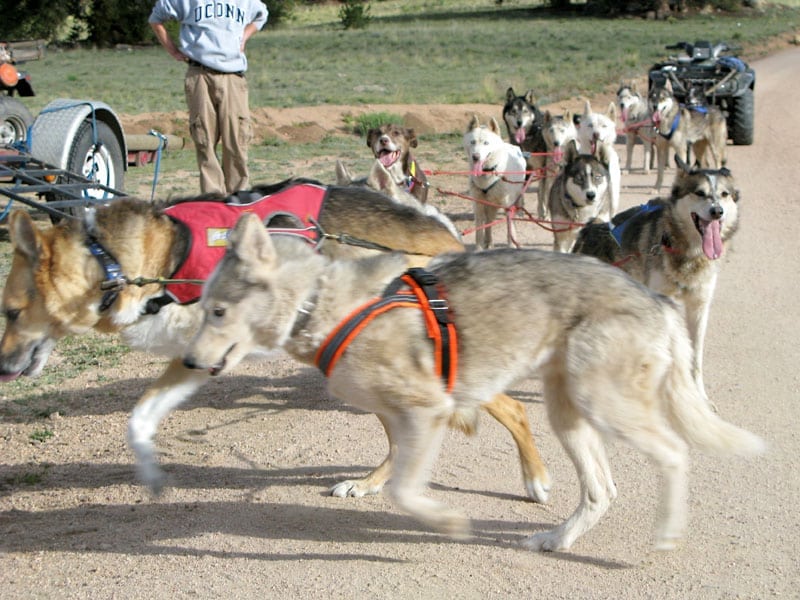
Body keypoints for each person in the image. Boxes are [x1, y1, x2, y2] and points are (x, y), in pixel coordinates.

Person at [149, 0, 269, 195]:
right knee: (204, 139)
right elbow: (156, 18)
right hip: (200, 73)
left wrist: (244, 37)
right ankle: (213, 198)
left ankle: (238, 197)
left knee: (236, 140)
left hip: (233, 76)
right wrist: (173, 50)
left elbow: (261, 14)